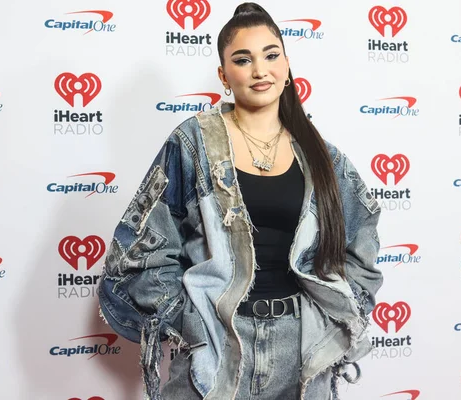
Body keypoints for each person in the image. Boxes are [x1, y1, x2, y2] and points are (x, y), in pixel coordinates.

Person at [97, 3, 383, 399]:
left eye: (271, 55)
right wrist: (193, 324)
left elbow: (360, 248)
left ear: (286, 64)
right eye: (242, 59)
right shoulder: (192, 143)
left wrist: (327, 316)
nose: (260, 70)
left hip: (300, 350)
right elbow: (144, 249)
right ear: (224, 75)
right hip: (216, 349)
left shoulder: (322, 156)